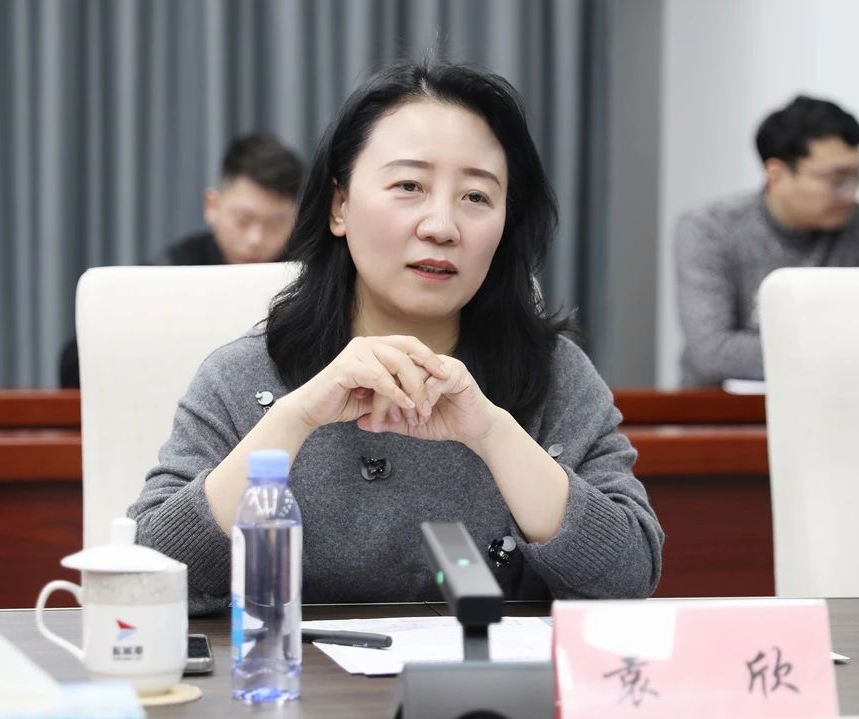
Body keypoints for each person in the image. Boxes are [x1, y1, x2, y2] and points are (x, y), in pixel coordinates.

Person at [128, 61, 664, 615]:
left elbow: (629, 578)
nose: (441, 226)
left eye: (476, 197)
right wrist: (294, 420)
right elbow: (148, 577)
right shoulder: (243, 376)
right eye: (409, 186)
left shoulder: (554, 376)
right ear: (340, 205)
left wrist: (494, 434)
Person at [675, 95, 859, 388]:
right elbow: (712, 352)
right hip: (724, 407)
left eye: (857, 176)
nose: (850, 194)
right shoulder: (710, 228)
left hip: (839, 400)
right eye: (836, 179)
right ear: (777, 175)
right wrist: (845, 352)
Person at [58, 132, 303, 387]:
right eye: (243, 220)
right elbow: (76, 363)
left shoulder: (306, 276)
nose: (255, 238)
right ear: (212, 206)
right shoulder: (171, 270)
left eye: (275, 224)